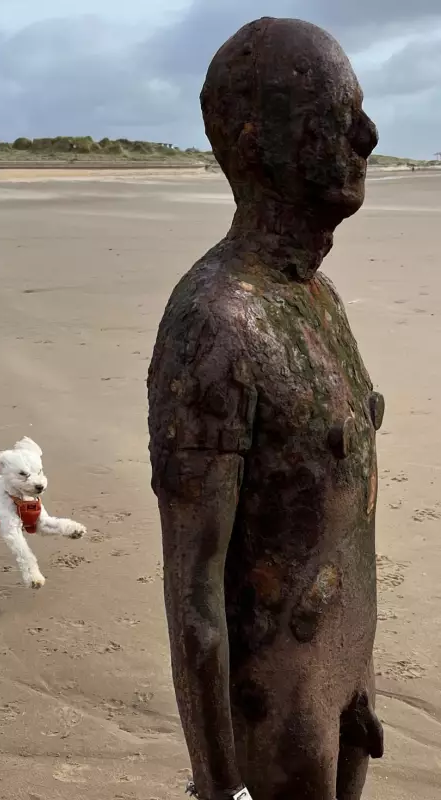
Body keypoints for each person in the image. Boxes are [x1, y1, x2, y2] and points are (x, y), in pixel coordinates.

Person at [148, 17, 384, 800]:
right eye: (334, 113)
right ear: (257, 140)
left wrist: (357, 678)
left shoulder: (315, 300)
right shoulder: (215, 322)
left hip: (339, 680)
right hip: (273, 711)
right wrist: (219, 785)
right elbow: (194, 595)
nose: (365, 134)